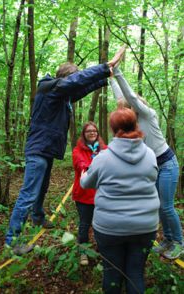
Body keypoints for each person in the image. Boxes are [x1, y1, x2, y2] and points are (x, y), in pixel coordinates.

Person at [5, 46, 126, 255]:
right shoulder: (48, 87)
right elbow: (76, 83)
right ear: (65, 78)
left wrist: (104, 78)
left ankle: (38, 216)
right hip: (38, 149)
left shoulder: (62, 97)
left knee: (41, 188)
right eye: (73, 78)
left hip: (47, 150)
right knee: (28, 193)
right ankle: (12, 240)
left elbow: (81, 88)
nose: (74, 82)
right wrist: (105, 67)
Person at [80, 108, 160, 294]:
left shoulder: (103, 158)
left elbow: (86, 183)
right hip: (145, 227)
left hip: (110, 228)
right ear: (135, 125)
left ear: (113, 129)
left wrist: (85, 174)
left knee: (112, 274)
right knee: (135, 273)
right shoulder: (150, 154)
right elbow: (152, 179)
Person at [111, 64, 184, 260]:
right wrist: (109, 78)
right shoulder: (132, 121)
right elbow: (121, 99)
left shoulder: (147, 114)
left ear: (137, 106)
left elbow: (130, 97)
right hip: (154, 167)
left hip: (167, 164)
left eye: (130, 107)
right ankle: (168, 240)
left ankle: (179, 243)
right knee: (159, 206)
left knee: (167, 206)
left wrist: (118, 72)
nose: (126, 110)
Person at [72, 122, 106, 265]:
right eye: (89, 131)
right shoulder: (77, 151)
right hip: (84, 195)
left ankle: (103, 250)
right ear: (84, 134)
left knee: (102, 224)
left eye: (94, 131)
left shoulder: (105, 149)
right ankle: (83, 253)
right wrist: (91, 164)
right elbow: (80, 164)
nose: (92, 133)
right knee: (85, 224)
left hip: (101, 195)